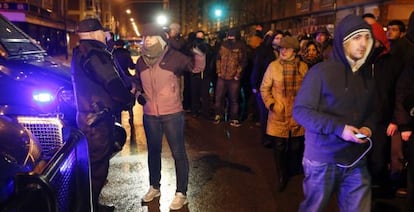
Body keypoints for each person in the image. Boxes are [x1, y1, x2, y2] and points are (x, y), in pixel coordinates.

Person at [293, 14, 376, 211]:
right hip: (322, 159)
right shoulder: (320, 72)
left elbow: (373, 111)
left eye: (367, 37)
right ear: (342, 41)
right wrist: (340, 129)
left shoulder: (368, 76)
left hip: (356, 158)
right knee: (314, 208)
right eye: (356, 38)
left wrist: (368, 128)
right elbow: (301, 111)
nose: (363, 43)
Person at [71, 18, 134, 212]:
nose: (105, 35)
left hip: (88, 117)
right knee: (97, 168)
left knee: (91, 166)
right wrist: (128, 99)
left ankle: (90, 205)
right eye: (103, 32)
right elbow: (112, 82)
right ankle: (89, 208)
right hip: (97, 120)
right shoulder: (95, 53)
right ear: (94, 33)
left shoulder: (79, 51)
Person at [134, 23, 195, 210]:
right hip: (150, 114)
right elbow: (137, 83)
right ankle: (154, 187)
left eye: (151, 36)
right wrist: (138, 95)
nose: (148, 39)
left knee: (178, 153)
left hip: (172, 113)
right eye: (145, 37)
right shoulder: (141, 61)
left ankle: (181, 193)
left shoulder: (173, 56)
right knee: (153, 152)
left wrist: (199, 53)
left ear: (160, 38)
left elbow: (195, 68)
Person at [260, 36, 308, 192]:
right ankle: (282, 175)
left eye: (287, 48)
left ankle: (292, 170)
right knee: (279, 147)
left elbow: (308, 90)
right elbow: (264, 89)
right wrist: (272, 104)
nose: (283, 51)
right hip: (279, 113)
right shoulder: (273, 67)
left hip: (297, 114)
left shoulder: (303, 67)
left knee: (295, 146)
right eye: (281, 48)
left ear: (294, 50)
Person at [213, 28, 247, 127]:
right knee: (218, 97)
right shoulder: (223, 45)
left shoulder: (240, 46)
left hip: (233, 78)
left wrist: (237, 75)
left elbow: (243, 62)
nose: (230, 38)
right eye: (229, 36)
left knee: (234, 99)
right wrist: (218, 71)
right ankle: (218, 115)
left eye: (232, 36)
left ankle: (234, 118)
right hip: (222, 76)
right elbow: (218, 58)